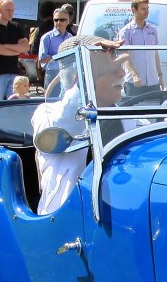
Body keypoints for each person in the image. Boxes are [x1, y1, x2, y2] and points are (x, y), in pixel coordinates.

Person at [31, 36, 128, 214]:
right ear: (80, 77)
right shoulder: (47, 113)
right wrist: (85, 77)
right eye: (110, 69)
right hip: (66, 217)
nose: (121, 74)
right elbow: (61, 125)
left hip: (121, 212)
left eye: (120, 67)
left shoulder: (129, 117)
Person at [116, 0, 161, 92]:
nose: (146, 11)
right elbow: (124, 56)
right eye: (143, 9)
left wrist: (160, 75)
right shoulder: (126, 31)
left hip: (153, 81)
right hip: (134, 83)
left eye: (147, 8)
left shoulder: (153, 30)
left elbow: (155, 53)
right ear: (134, 10)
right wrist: (135, 75)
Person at [38, 5, 75, 84]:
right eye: (56, 20)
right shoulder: (46, 38)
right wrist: (59, 56)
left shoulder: (70, 37)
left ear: (67, 21)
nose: (58, 22)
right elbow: (42, 60)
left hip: (68, 73)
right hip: (52, 74)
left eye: (62, 20)